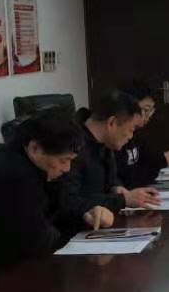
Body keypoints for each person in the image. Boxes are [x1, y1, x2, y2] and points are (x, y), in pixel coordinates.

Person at [0, 108, 102, 291]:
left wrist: (84, 216)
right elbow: (42, 242)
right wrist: (84, 243)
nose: (67, 169)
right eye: (63, 160)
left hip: (6, 276)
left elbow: (60, 209)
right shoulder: (13, 175)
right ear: (35, 148)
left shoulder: (31, 163)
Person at [56, 89, 160, 230]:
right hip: (75, 232)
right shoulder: (73, 148)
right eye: (131, 129)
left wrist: (116, 188)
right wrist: (123, 200)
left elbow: (110, 181)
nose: (131, 137)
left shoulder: (105, 144)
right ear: (112, 123)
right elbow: (68, 203)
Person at [115, 78, 169, 188]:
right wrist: (162, 160)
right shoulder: (116, 137)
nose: (147, 117)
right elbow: (127, 179)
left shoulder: (138, 133)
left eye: (151, 110)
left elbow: (148, 159)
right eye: (145, 110)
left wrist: (166, 157)